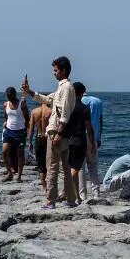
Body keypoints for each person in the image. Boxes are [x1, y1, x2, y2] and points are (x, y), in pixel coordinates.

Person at [23, 56, 77, 209]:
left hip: (56, 131)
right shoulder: (62, 87)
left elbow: (65, 113)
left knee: (52, 166)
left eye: (56, 70)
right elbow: (47, 99)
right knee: (65, 167)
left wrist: (59, 133)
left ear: (63, 71)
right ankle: (70, 199)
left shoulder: (66, 88)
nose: (54, 73)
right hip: (63, 132)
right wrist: (30, 92)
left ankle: (50, 201)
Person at [68, 83, 99, 203]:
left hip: (68, 140)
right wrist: (92, 143)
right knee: (76, 169)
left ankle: (78, 196)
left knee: (72, 167)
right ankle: (69, 192)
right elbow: (89, 128)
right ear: (82, 93)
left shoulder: (68, 106)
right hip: (79, 141)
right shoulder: (85, 108)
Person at [77, 88, 104, 198]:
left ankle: (83, 195)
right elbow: (101, 121)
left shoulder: (79, 102)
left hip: (82, 136)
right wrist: (99, 138)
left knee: (81, 167)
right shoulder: (98, 101)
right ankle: (96, 193)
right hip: (94, 137)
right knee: (93, 166)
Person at [2, 86, 29, 182]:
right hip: (9, 131)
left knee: (20, 154)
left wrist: (26, 131)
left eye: (10, 95)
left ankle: (19, 176)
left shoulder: (22, 105)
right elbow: (6, 116)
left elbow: (27, 119)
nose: (8, 97)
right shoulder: (5, 105)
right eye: (7, 95)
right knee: (5, 151)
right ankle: (9, 173)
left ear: (14, 94)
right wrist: (6, 122)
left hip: (20, 131)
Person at [27, 98, 51, 193]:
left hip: (38, 138)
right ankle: (50, 186)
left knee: (41, 166)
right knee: (49, 164)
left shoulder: (34, 112)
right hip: (48, 139)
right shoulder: (50, 111)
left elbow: (31, 128)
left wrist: (30, 142)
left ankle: (45, 188)